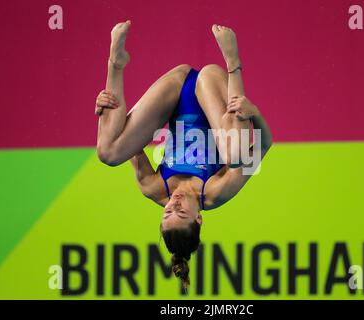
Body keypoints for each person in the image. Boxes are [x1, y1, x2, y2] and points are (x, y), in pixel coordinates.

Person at [95, 20, 272, 291]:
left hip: (176, 88)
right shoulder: (216, 191)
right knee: (236, 155)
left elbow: (130, 142)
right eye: (180, 211)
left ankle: (115, 63)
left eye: (167, 211)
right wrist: (254, 112)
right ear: (198, 218)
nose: (173, 203)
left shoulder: (153, 187)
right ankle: (234, 62)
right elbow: (264, 145)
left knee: (108, 152)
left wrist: (106, 112)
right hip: (211, 85)